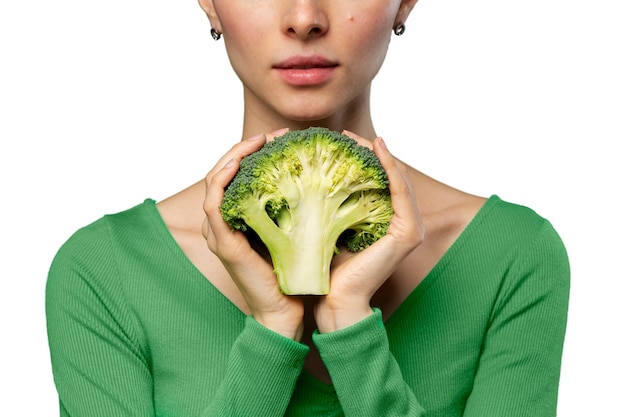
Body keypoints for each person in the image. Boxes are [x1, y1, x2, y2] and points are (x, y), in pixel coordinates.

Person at [45, 0, 570, 416]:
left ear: (406, 1)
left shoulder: (511, 256)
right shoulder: (103, 271)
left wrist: (349, 325)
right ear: (208, 1)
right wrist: (274, 330)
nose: (303, 19)